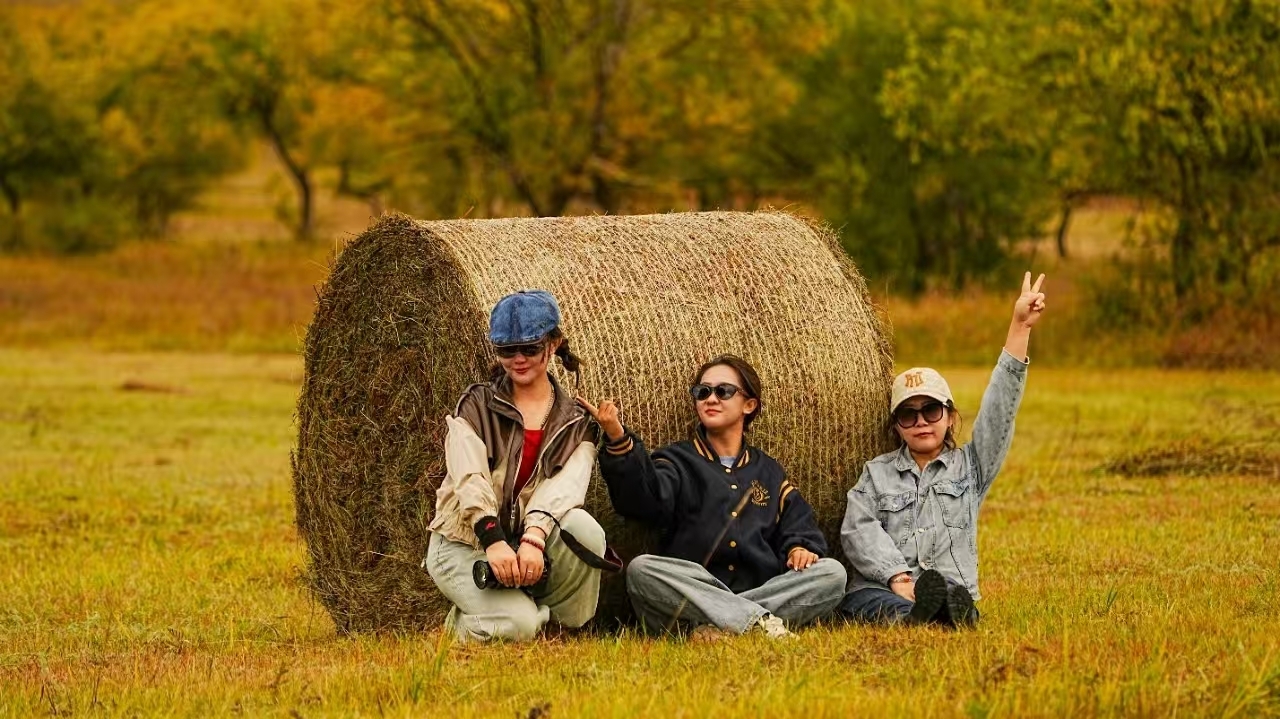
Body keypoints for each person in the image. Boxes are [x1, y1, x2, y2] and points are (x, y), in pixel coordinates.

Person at [579, 355, 847, 639]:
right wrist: (618, 437)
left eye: (723, 391)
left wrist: (799, 547)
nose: (711, 399)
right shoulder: (677, 460)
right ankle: (759, 624)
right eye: (702, 391)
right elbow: (642, 503)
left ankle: (719, 628)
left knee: (832, 573)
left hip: (758, 590)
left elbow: (798, 521)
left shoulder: (768, 471)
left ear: (749, 405)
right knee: (642, 570)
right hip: (693, 591)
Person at [839, 272, 1047, 627]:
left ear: (950, 417)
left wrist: (1020, 327)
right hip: (885, 587)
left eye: (932, 410)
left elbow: (999, 412)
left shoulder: (971, 467)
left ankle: (940, 611)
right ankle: (927, 616)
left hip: (949, 584)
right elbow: (857, 529)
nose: (921, 421)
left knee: (951, 594)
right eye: (908, 414)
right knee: (863, 601)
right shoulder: (876, 473)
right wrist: (897, 577)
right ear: (896, 426)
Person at [425, 289, 606, 642]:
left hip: (526, 541)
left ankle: (559, 629)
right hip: (466, 542)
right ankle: (459, 627)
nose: (518, 359)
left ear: (553, 344)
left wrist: (534, 536)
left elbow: (565, 487)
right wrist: (492, 538)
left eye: (530, 348)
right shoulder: (476, 405)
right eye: (507, 350)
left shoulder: (574, 421)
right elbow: (469, 477)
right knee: (518, 625)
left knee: (585, 530)